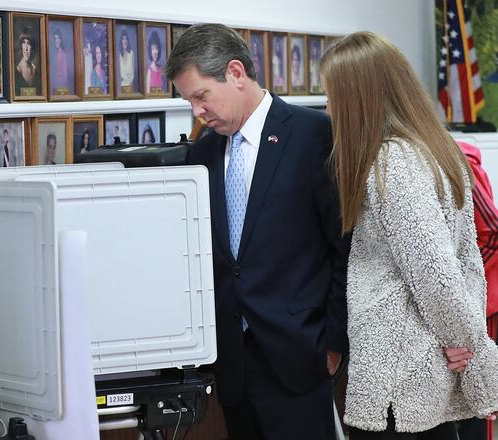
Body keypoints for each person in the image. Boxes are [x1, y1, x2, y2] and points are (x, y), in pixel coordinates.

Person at [165, 23, 349, 439]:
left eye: (200, 96)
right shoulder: (204, 151)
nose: (196, 111)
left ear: (235, 73)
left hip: (300, 359)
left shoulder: (313, 135)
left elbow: (346, 247)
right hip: (234, 366)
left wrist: (334, 342)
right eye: (189, 101)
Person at [320, 31, 498, 438]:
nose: (329, 110)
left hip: (401, 374)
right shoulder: (437, 148)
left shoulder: (394, 161)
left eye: (333, 98)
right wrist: (466, 337)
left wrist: (468, 346)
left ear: (359, 100)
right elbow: (467, 260)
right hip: (424, 367)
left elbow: (436, 271)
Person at [455, 140, 498, 440]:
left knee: (476, 402)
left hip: (482, 304)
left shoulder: (457, 162)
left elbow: (493, 232)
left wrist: (464, 284)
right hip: (458, 302)